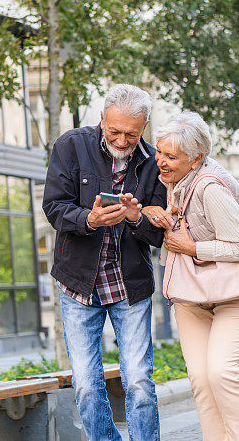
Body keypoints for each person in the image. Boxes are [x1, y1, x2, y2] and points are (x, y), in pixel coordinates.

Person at [141, 111, 239, 441]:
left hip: (237, 294)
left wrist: (195, 248)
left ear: (197, 159)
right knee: (200, 380)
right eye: (160, 152)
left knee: (222, 373)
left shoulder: (210, 187)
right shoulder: (174, 183)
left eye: (171, 156)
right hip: (193, 295)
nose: (162, 162)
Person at [42, 84, 166, 441]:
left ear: (143, 127)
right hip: (78, 283)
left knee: (140, 381)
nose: (123, 140)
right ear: (102, 118)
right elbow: (54, 207)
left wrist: (134, 218)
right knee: (84, 383)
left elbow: (156, 235)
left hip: (130, 285)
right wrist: (90, 220)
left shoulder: (154, 162)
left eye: (131, 133)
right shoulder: (71, 146)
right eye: (114, 131)